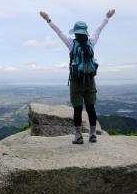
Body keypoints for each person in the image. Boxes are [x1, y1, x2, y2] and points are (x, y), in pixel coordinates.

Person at [39, 9, 116, 144]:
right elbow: (99, 30)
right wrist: (107, 17)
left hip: (76, 81)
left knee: (78, 109)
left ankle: (79, 136)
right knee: (91, 107)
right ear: (85, 32)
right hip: (90, 80)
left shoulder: (71, 44)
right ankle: (92, 135)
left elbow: (59, 32)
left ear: (75, 32)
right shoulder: (91, 42)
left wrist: (48, 19)